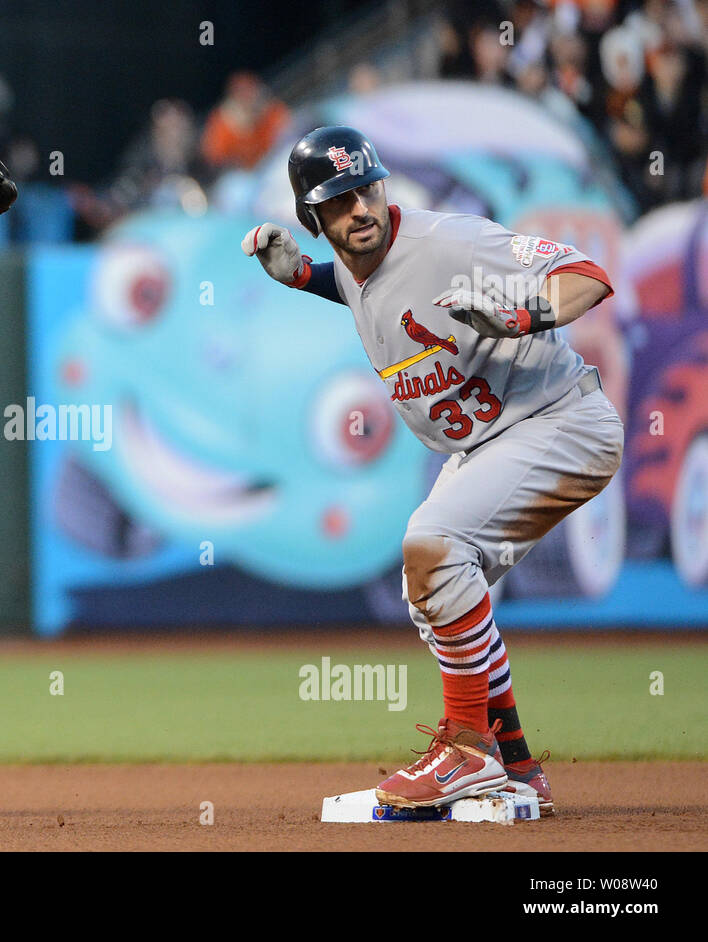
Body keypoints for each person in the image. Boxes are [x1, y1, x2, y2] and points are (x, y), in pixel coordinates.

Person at [242, 126, 623, 814]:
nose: (359, 209)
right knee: (432, 589)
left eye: (367, 189)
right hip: (492, 443)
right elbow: (372, 290)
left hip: (560, 420)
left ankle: (466, 752)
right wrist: (302, 275)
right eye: (338, 200)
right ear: (313, 217)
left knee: (436, 547)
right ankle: (515, 764)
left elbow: (588, 278)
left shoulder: (448, 242)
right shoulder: (361, 265)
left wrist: (521, 314)